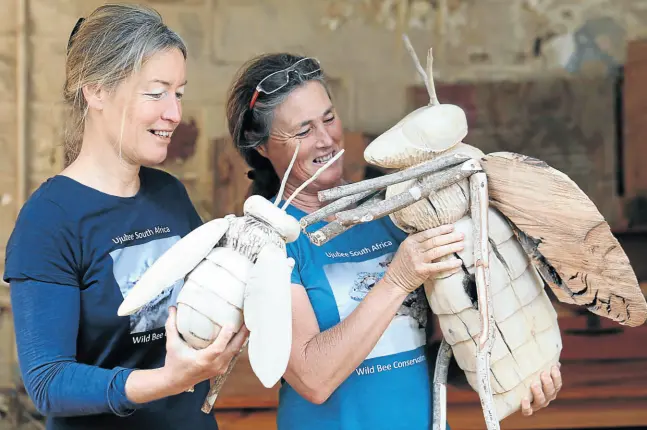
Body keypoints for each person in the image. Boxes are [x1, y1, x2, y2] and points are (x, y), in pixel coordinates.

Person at [225, 53, 563, 429]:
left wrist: (516, 367)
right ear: (261, 146)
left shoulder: (391, 212)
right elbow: (313, 379)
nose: (326, 140)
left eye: (329, 118)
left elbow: (431, 353)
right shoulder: (267, 240)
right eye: (303, 131)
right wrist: (398, 279)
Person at [3, 4, 247, 429]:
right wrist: (166, 381)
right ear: (95, 91)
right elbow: (47, 382)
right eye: (156, 92)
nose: (174, 113)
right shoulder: (49, 219)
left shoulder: (169, 194)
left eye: (179, 93)